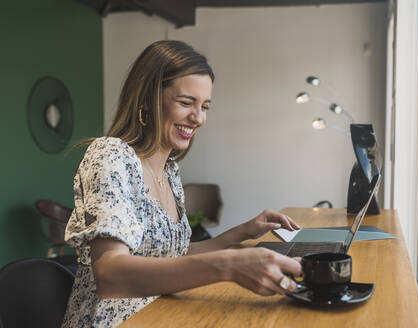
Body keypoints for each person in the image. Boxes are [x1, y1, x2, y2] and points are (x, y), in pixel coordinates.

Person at [62, 40, 302, 327]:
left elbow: (169, 258)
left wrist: (241, 233)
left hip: (163, 314)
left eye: (205, 106)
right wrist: (228, 265)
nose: (198, 118)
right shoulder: (110, 156)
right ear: (148, 98)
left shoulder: (170, 171)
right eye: (186, 102)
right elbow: (111, 275)